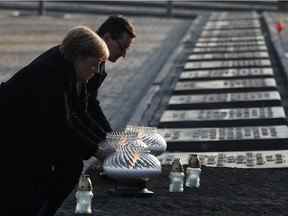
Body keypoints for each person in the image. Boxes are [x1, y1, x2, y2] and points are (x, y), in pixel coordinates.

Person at [1, 26, 109, 216]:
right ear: (79, 56)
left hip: (34, 133)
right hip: (12, 135)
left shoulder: (74, 72)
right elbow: (61, 125)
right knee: (25, 194)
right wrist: (98, 152)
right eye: (95, 64)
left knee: (71, 165)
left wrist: (105, 142)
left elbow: (81, 114)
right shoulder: (48, 73)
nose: (96, 71)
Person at [86, 15, 136, 134]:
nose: (123, 54)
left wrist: (109, 135)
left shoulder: (98, 58)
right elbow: (80, 108)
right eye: (122, 48)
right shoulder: (87, 56)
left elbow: (90, 102)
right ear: (107, 38)